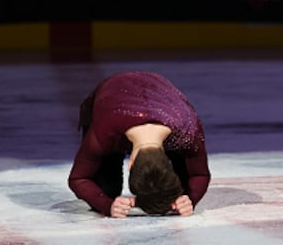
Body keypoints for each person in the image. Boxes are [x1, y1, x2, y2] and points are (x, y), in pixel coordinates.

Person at [68, 71, 211, 218]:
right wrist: (107, 204)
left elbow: (200, 174)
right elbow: (78, 178)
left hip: (159, 94)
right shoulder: (103, 133)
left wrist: (189, 199)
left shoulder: (187, 130)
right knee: (106, 191)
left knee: (178, 190)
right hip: (113, 96)